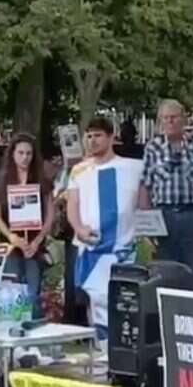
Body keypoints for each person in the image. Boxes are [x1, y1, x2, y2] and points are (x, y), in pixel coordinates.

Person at [68, 117, 144, 344]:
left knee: (124, 303)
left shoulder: (133, 167)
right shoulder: (79, 170)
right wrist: (79, 229)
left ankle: (124, 351)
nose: (92, 141)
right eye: (89, 136)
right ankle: (102, 350)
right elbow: (73, 204)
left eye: (98, 135)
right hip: (91, 248)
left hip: (124, 248)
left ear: (112, 137)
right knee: (96, 299)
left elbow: (144, 203)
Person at [139, 99, 193, 284]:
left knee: (192, 271)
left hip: (192, 214)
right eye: (165, 118)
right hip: (163, 214)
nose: (170, 122)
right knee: (163, 273)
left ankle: (190, 311)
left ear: (184, 119)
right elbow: (145, 185)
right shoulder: (153, 147)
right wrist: (146, 225)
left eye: (174, 117)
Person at [0, 133, 54, 317]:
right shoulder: (1, 179)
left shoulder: (41, 180)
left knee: (33, 290)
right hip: (11, 243)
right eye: (21, 153)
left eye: (28, 153)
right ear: (12, 154)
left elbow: (50, 214)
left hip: (34, 244)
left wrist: (38, 241)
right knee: (12, 288)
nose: (25, 157)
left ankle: (32, 324)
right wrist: (11, 237)